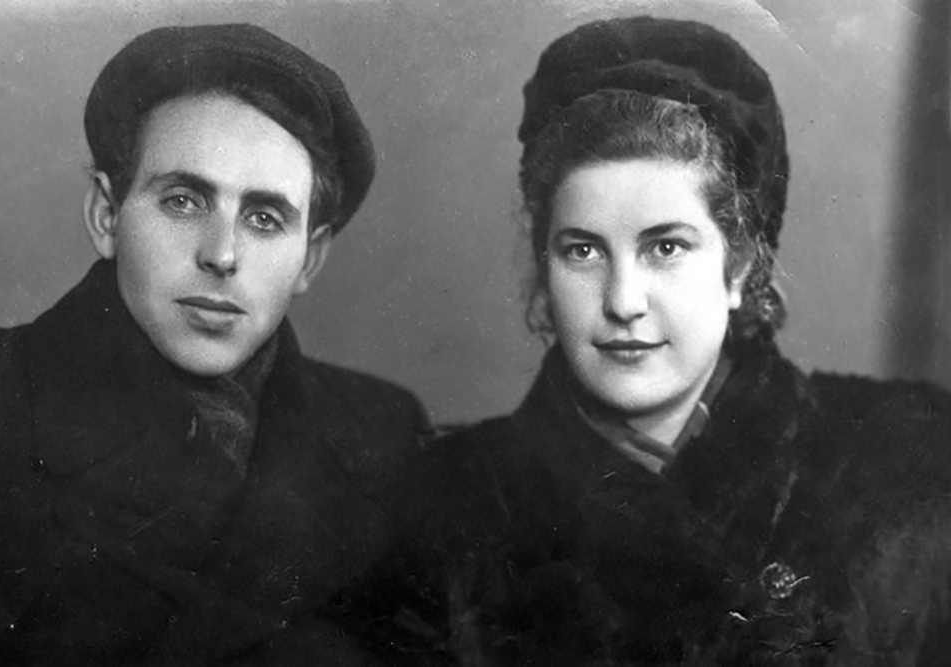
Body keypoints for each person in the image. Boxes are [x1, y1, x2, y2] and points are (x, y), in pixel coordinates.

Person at [386, 15, 951, 665]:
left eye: (665, 247)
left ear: (739, 267)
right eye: (583, 250)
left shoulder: (902, 474)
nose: (623, 301)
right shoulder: (449, 504)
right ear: (544, 271)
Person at [0, 24, 431, 664]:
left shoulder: (383, 433)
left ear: (310, 258)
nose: (222, 254)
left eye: (264, 219)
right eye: (183, 201)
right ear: (106, 215)